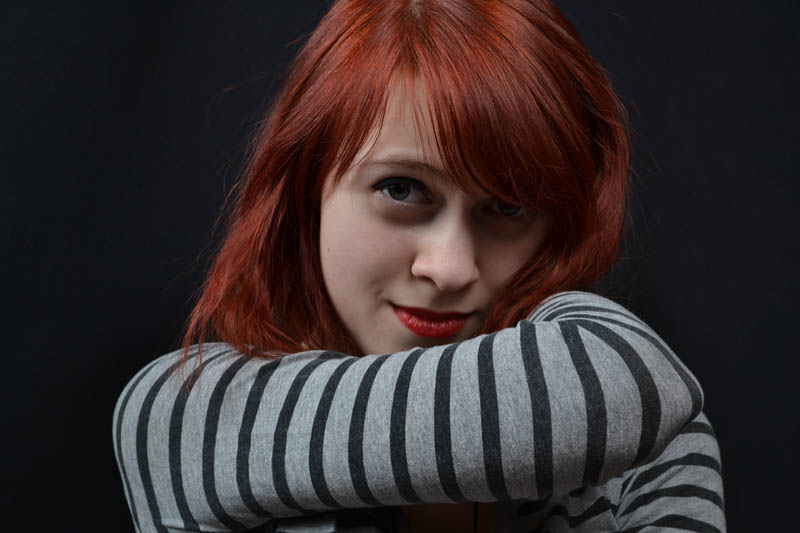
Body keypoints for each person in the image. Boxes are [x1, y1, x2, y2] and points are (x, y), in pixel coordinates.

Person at [113, 1, 726, 531]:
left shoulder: (650, 447)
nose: (450, 268)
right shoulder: (189, 415)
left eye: (509, 206)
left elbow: (622, 379)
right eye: (402, 189)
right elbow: (624, 383)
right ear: (307, 189)